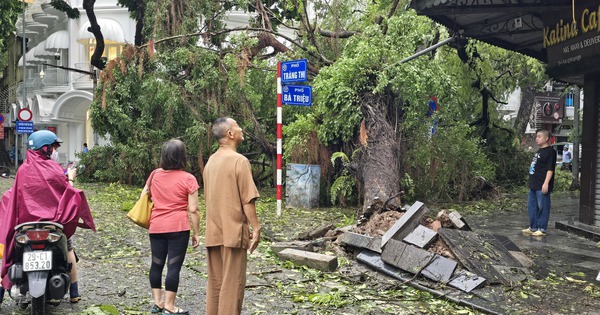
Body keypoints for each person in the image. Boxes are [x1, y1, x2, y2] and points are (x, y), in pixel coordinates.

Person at [0, 130, 96, 302]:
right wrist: (72, 178)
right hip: (52, 224)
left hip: (26, 225)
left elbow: (16, 196)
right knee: (68, 248)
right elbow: (68, 193)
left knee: (11, 250)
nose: (53, 150)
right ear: (45, 148)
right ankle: (74, 292)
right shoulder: (55, 169)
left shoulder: (22, 170)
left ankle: (2, 287)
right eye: (51, 147)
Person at [203, 117, 261, 315]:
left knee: (216, 285)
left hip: (213, 232)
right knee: (232, 286)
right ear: (229, 134)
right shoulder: (240, 161)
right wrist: (256, 227)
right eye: (237, 126)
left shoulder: (211, 161)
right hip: (233, 232)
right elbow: (247, 200)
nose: (241, 129)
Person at [143, 139, 200, 315]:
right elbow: (194, 209)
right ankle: (170, 306)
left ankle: (158, 303)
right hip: (178, 227)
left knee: (156, 264)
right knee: (173, 266)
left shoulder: (154, 175)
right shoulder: (189, 179)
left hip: (156, 226)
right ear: (182, 157)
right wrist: (197, 233)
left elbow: (144, 194)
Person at [523, 129, 557, 237]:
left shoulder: (550, 152)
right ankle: (533, 227)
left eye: (539, 136)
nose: (537, 139)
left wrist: (546, 183)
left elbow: (550, 169)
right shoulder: (538, 151)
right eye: (536, 137)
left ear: (546, 138)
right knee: (532, 206)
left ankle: (542, 228)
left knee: (543, 206)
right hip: (534, 183)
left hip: (542, 184)